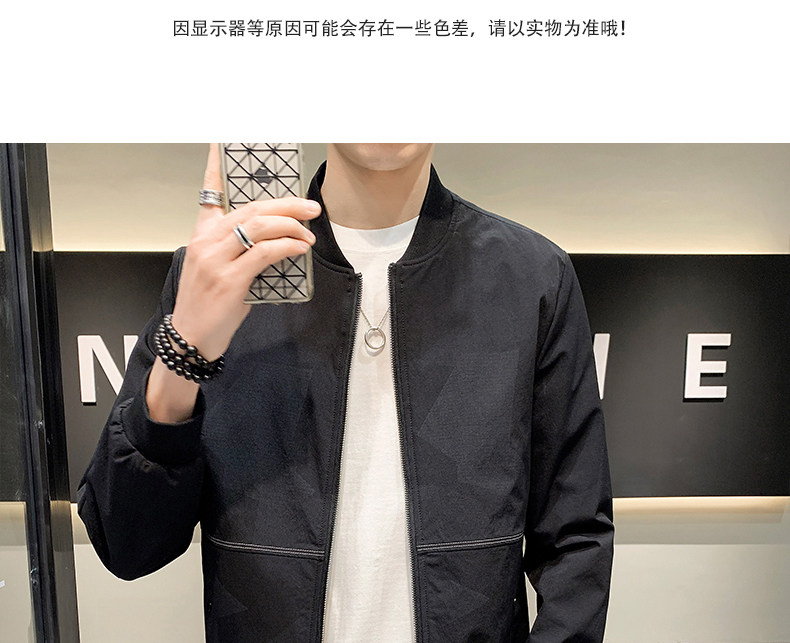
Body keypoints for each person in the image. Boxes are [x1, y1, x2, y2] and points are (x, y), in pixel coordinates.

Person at [78, 143, 615, 642]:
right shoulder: (220, 273)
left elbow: (575, 538)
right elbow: (128, 546)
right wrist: (186, 351)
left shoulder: (530, 277)